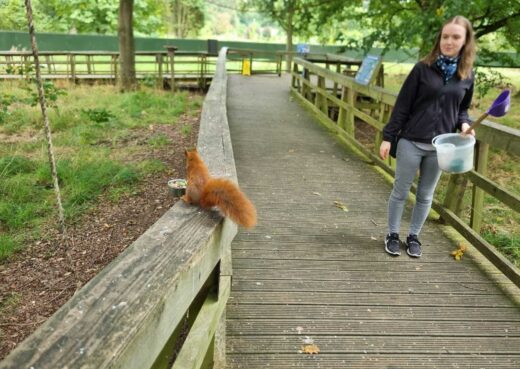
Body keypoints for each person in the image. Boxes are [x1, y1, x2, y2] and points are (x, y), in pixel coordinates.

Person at [379, 15, 476, 258]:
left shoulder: (466, 75)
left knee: (425, 195)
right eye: (445, 36)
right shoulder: (422, 68)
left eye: (456, 37)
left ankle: (414, 236)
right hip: (411, 141)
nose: (449, 41)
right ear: (439, 39)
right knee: (401, 191)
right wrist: (388, 136)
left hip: (442, 147)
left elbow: (462, 108)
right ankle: (392, 234)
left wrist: (465, 124)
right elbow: (402, 106)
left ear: (465, 42)